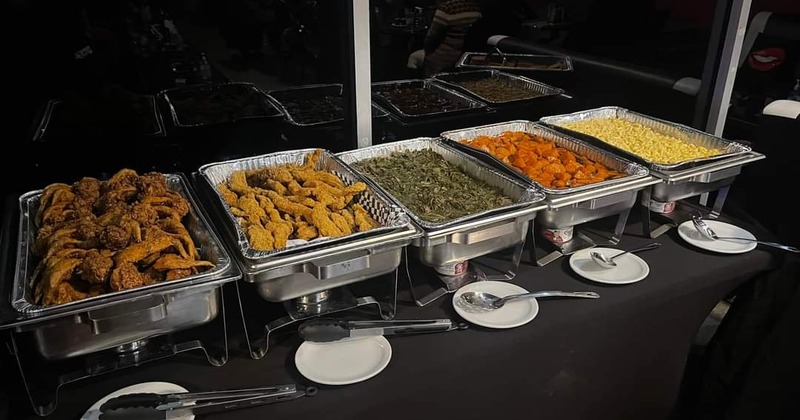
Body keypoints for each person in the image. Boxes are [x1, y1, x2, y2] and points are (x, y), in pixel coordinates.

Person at [419, 0, 482, 76]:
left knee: (413, 57)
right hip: (466, 57)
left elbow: (431, 37)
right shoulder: (474, 6)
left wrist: (426, 50)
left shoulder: (447, 8)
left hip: (446, 58)